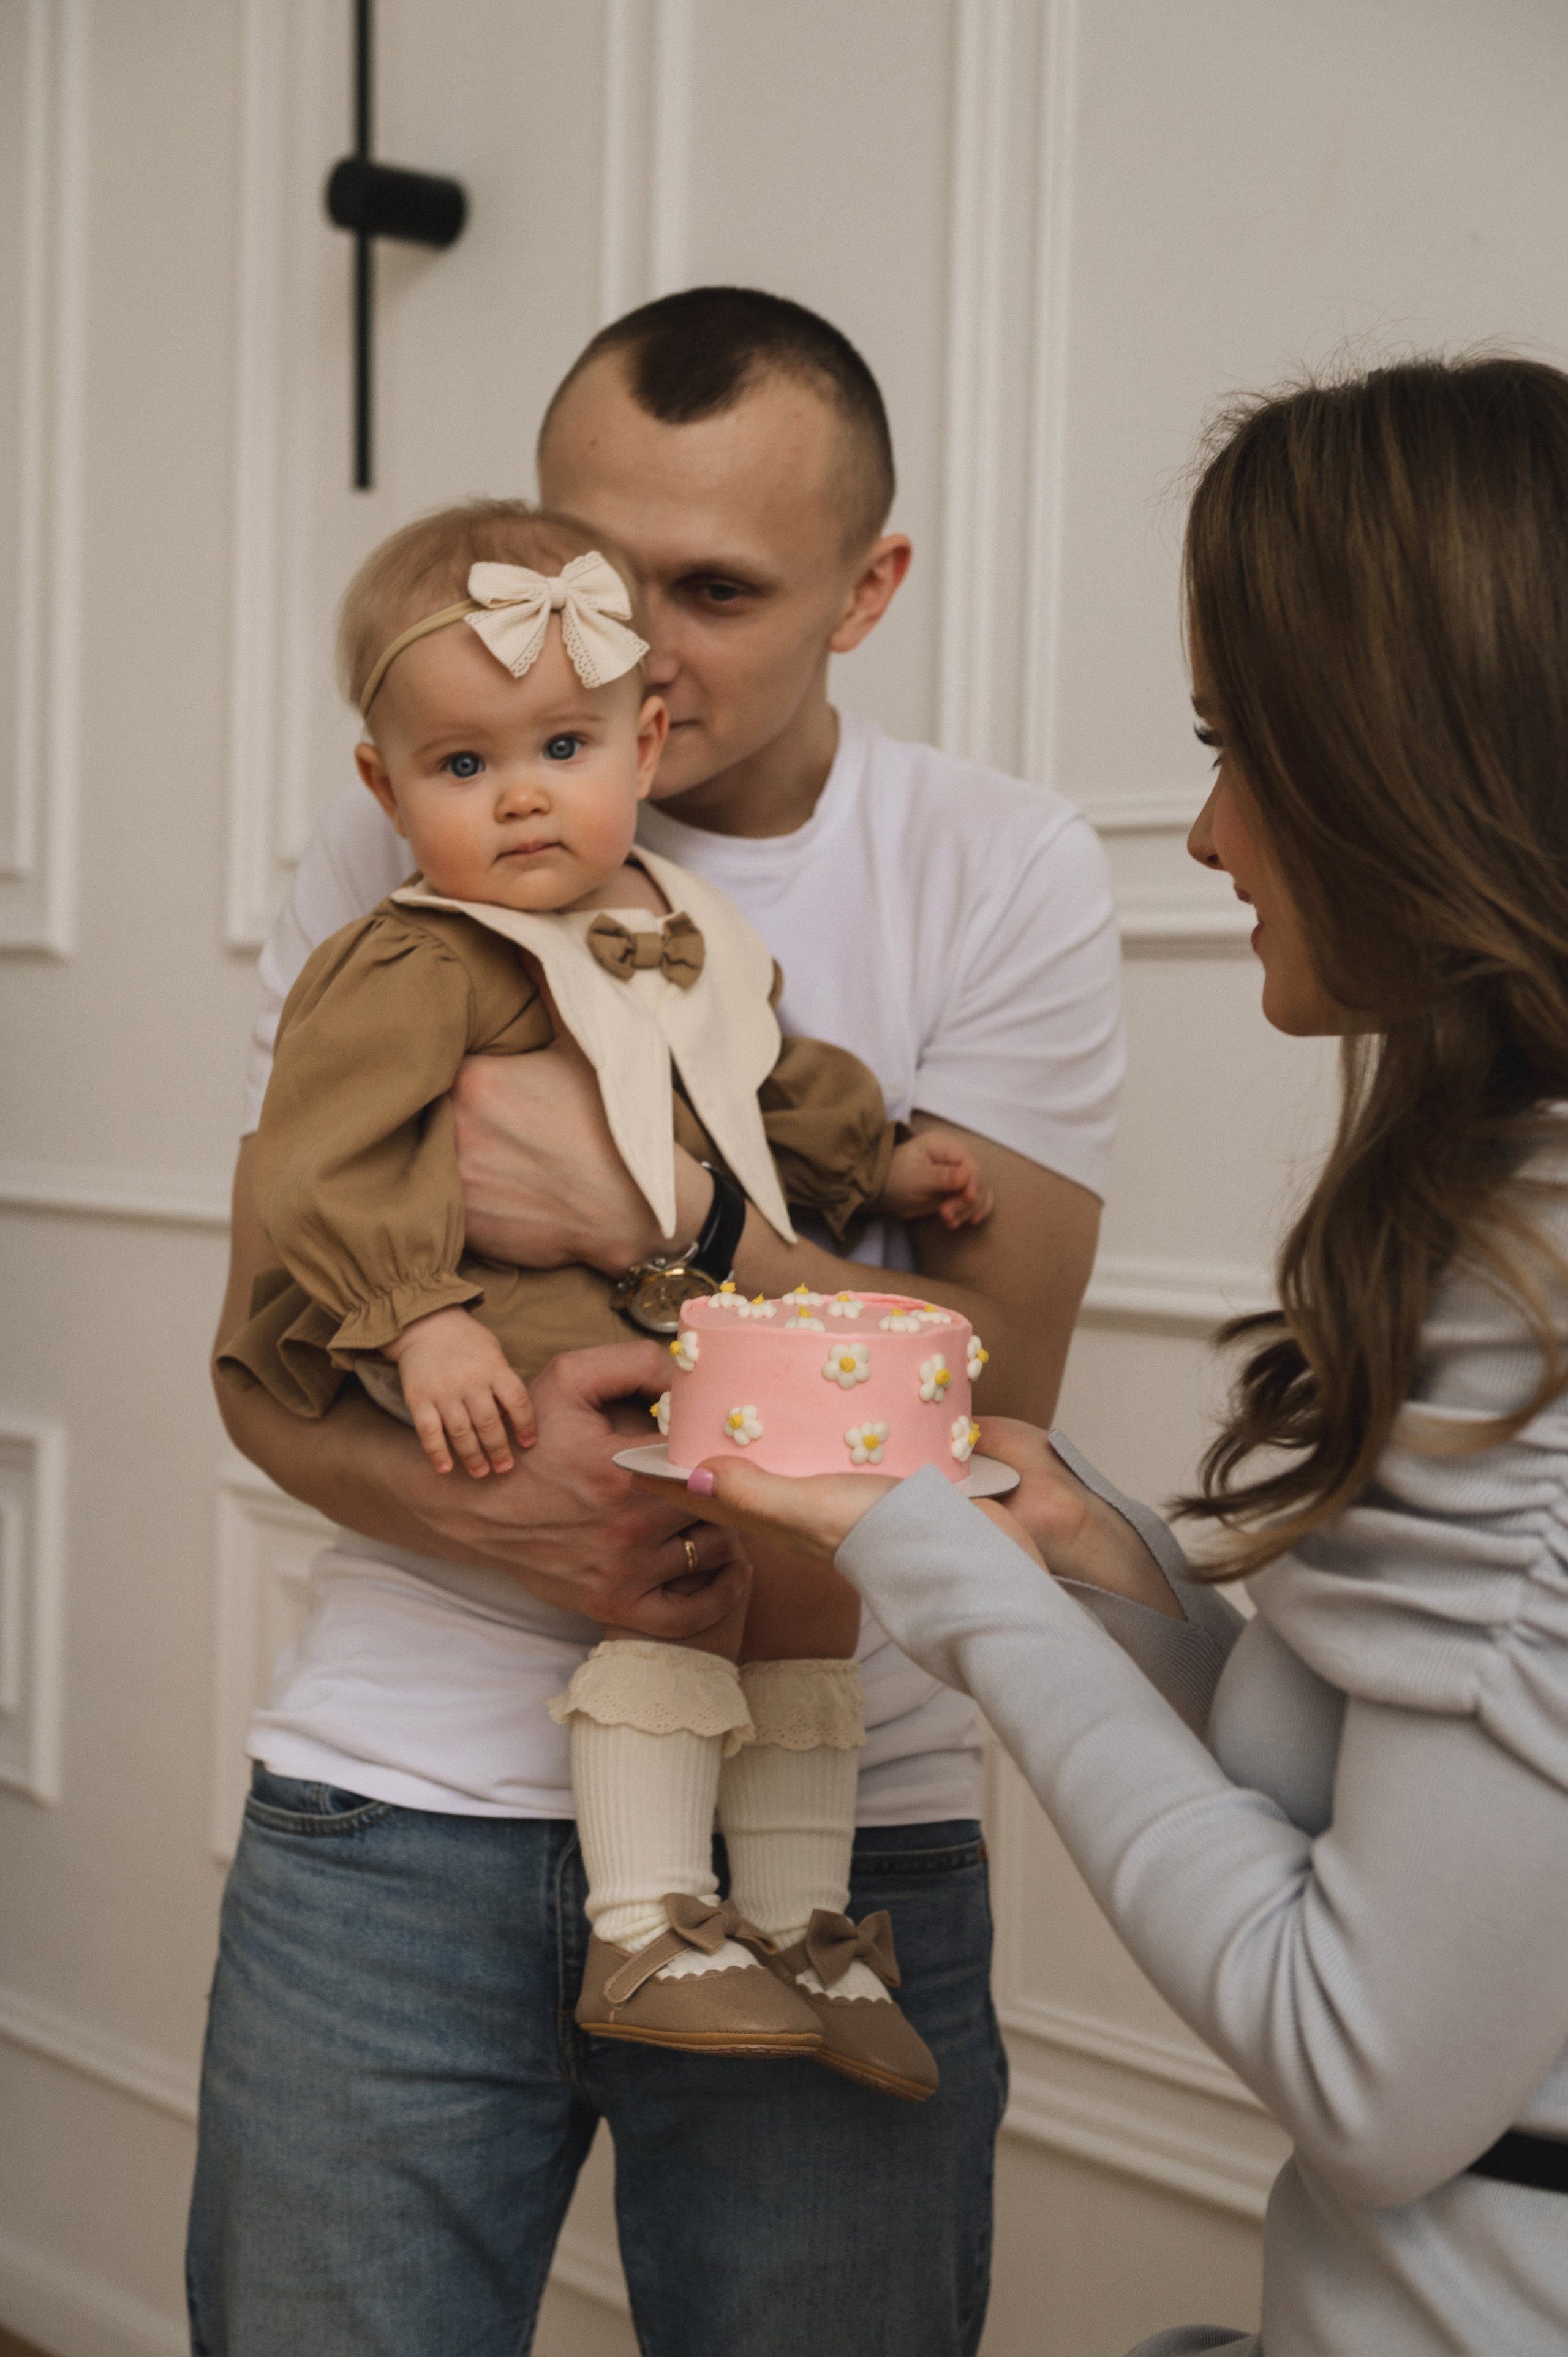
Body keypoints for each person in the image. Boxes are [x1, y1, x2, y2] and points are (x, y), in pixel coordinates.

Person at [194, 287, 1123, 2357]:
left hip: (833, 1827)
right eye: (588, 570)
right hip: (398, 1813)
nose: (616, 648)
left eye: (708, 590)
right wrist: (534, 1522)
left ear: (867, 591)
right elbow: (264, 1363)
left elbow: (987, 1407)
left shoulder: (999, 867)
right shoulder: (413, 827)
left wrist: (654, 1202)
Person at [682, 353, 1568, 2356]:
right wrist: (1113, 1575)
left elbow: (1367, 2058)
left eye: (1241, 750)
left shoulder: (1535, 1301)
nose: (1210, 833)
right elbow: (1403, 1792)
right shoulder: (1499, 1218)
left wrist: (941, 1563)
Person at [222, 493, 988, 2083]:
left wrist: (877, 1158)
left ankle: (799, 1919)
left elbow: (759, 1084)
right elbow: (322, 1157)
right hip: (500, 1320)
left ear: (645, 741)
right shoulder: (420, 958)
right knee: (688, 1540)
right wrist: (417, 1314)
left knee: (806, 1575)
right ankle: (648, 1920)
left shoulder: (686, 927)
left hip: (668, 1297)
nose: (518, 801)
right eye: (461, 768)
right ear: (384, 787)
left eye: (561, 750)